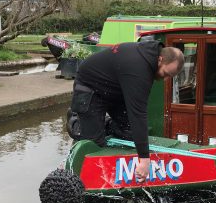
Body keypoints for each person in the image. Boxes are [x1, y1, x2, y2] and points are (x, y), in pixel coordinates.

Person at [66, 41, 185, 182]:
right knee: (94, 144)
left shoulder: (150, 59)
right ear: (160, 59)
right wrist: (144, 160)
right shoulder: (139, 70)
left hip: (114, 90)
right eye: (165, 73)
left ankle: (104, 124)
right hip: (90, 87)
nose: (165, 79)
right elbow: (138, 114)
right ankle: (76, 122)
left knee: (128, 133)